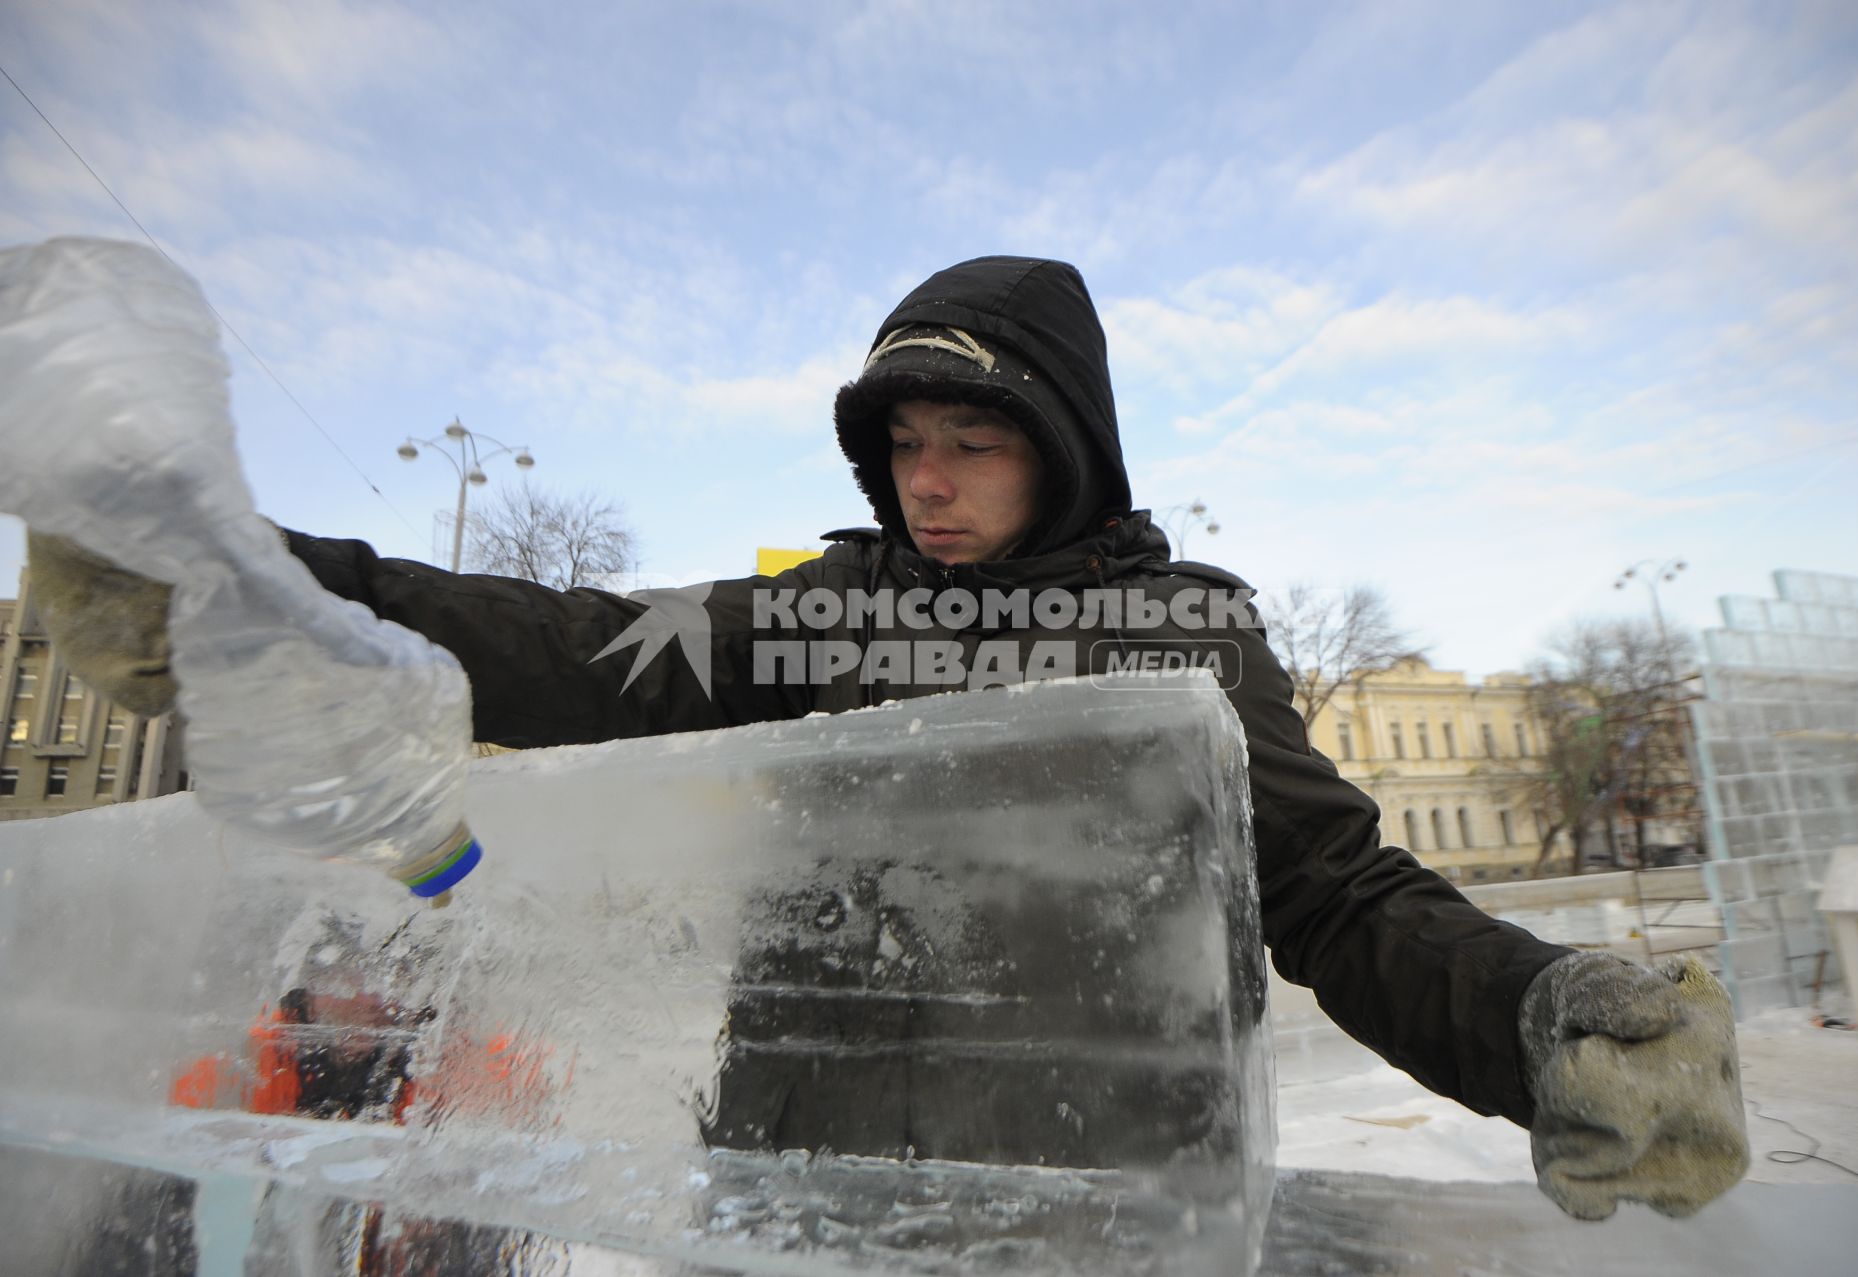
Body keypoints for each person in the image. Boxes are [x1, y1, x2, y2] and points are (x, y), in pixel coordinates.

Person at [28, 255, 1748, 1221]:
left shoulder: (1183, 631)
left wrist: (1533, 1024)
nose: (927, 479)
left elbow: (1338, 894)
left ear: (1064, 449)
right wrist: (267, 585)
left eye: (974, 442)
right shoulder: (822, 613)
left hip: (1100, 1213)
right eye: (905, 441)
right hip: (793, 1196)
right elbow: (567, 647)